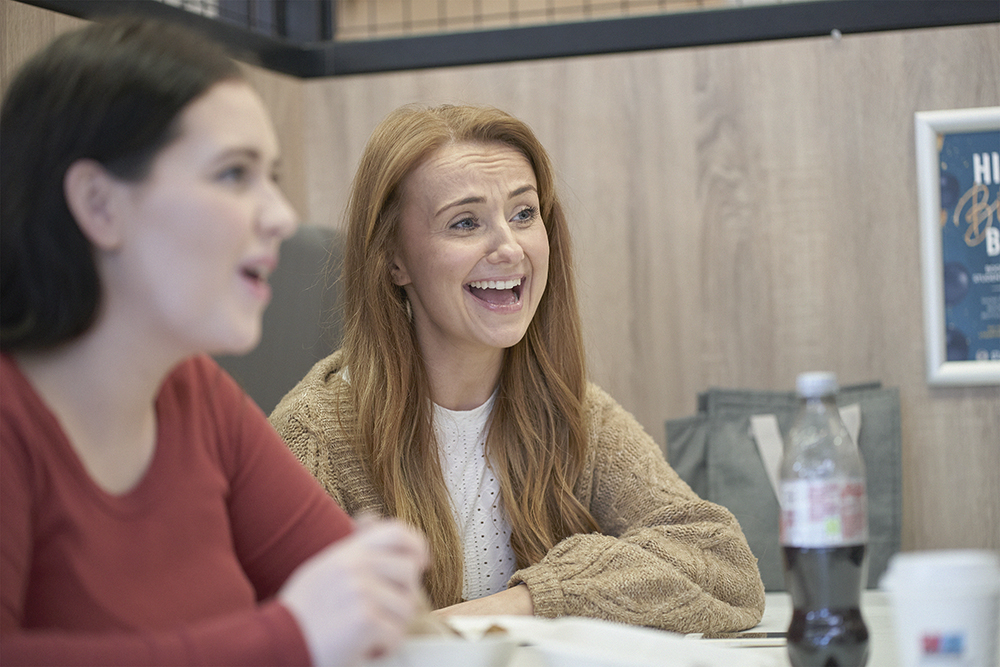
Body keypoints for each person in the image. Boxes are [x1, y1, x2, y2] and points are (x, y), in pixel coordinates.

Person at [0, 17, 429, 667]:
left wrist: (380, 584)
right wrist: (290, 634)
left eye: (272, 176)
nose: (281, 216)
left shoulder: (198, 394)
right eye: (233, 174)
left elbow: (361, 608)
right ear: (99, 204)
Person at [270, 103, 766, 633]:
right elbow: (284, 634)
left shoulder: (571, 410)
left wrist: (526, 603)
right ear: (394, 259)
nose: (509, 248)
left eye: (524, 214)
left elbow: (724, 564)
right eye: (465, 222)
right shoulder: (313, 435)